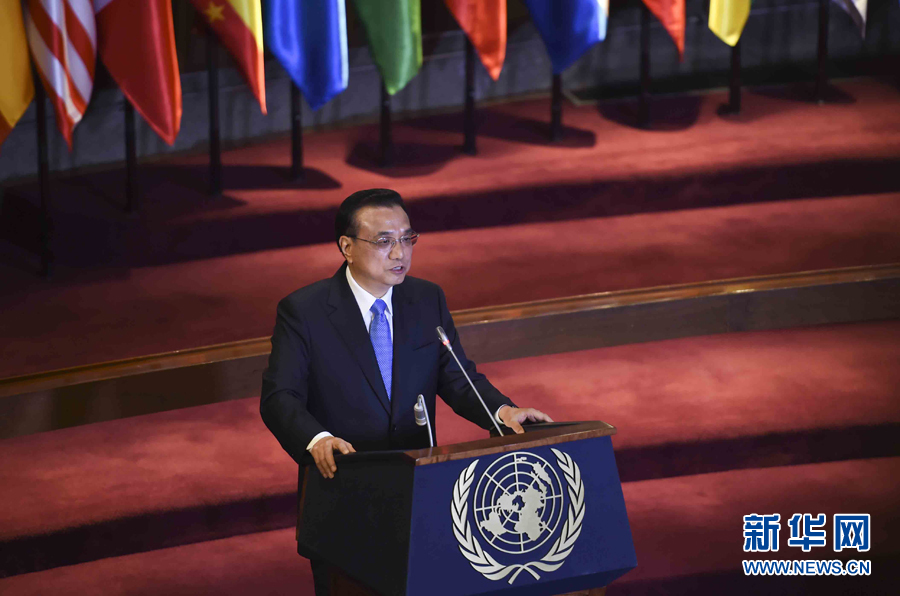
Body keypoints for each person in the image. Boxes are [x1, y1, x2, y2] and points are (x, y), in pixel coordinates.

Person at [260, 188, 552, 594]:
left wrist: (502, 411)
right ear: (346, 246)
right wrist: (317, 439)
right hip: (343, 489)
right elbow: (279, 396)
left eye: (407, 238)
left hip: (417, 488)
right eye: (384, 241)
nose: (400, 253)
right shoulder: (305, 311)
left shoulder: (426, 299)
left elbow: (456, 377)